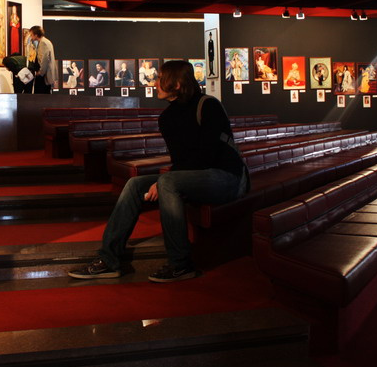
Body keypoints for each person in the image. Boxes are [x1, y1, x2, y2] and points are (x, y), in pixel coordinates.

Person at [69, 61, 248, 282]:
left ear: (177, 83)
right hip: (194, 176)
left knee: (167, 182)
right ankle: (109, 258)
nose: (155, 83)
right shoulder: (167, 118)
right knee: (134, 185)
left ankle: (181, 264)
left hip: (227, 177)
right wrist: (166, 179)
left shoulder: (208, 105)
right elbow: (181, 160)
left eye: (161, 78)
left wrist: (165, 180)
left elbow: (207, 155)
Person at [29, 25, 57, 93]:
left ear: (36, 35)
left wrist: (40, 72)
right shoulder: (46, 41)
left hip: (44, 75)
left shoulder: (43, 43)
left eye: (31, 35)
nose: (31, 37)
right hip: (45, 74)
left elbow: (44, 59)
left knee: (40, 95)